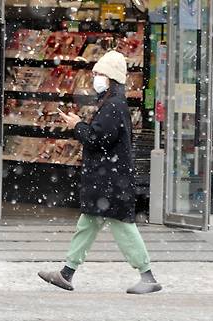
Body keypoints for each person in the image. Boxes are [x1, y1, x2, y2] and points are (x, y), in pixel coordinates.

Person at [38, 51, 162, 295]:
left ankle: (147, 275)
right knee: (88, 224)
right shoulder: (113, 103)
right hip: (110, 180)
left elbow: (96, 139)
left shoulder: (113, 105)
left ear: (111, 77)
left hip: (109, 182)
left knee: (123, 227)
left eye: (99, 73)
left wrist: (77, 126)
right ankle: (67, 273)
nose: (95, 77)